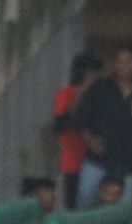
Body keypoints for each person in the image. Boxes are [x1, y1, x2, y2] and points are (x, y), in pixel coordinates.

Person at [75, 45, 132, 209]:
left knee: (124, 210)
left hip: (128, 162)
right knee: (85, 199)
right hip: (98, 160)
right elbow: (81, 117)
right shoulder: (100, 88)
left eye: (128, 61)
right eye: (119, 61)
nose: (123, 66)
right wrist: (88, 140)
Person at [54, 53, 103, 209]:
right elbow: (62, 123)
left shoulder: (100, 96)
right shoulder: (65, 95)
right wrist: (81, 93)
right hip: (72, 161)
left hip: (97, 160)